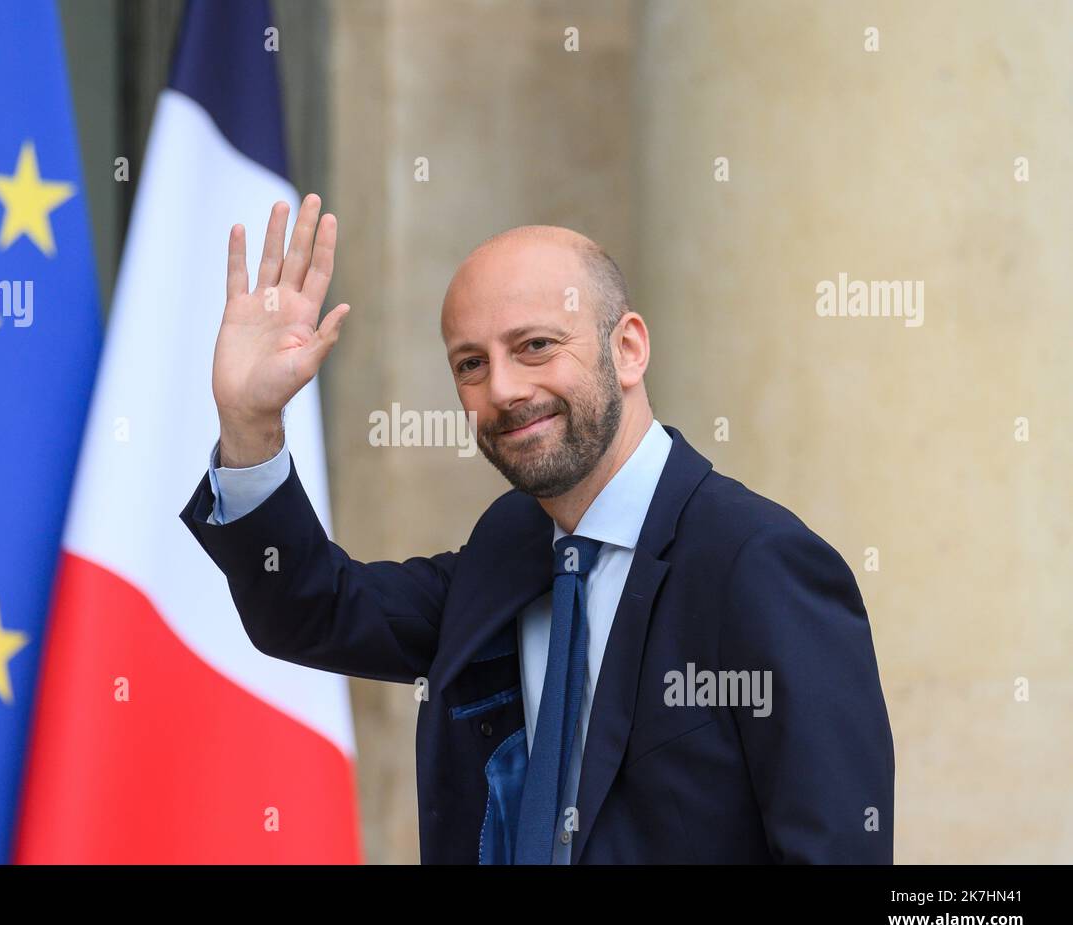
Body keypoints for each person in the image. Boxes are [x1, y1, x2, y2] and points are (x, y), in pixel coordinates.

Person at [180, 193, 896, 864]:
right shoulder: (512, 547)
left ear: (628, 349)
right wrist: (251, 424)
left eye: (535, 346)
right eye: (471, 364)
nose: (503, 390)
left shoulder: (760, 565)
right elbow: (314, 611)